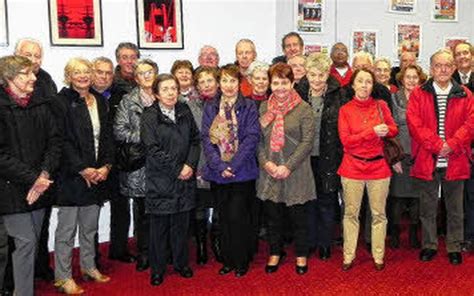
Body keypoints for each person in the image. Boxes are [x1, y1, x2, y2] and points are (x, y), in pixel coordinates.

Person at [0, 55, 61, 296]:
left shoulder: (40, 104)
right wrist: (32, 179)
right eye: (26, 73)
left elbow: (55, 142)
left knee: (32, 244)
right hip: (11, 189)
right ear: (9, 78)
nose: (34, 77)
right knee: (25, 244)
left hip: (41, 186)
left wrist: (44, 174)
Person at [407, 49, 474, 265]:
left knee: (455, 208)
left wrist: (452, 145)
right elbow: (414, 124)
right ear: (431, 68)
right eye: (438, 65)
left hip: (456, 158)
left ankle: (454, 245)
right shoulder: (419, 93)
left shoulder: (466, 94)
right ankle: (429, 245)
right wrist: (437, 145)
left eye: (447, 65)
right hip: (428, 158)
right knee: (427, 207)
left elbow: (471, 124)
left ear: (453, 68)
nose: (443, 69)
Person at [53, 58, 114, 294]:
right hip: (72, 176)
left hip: (97, 174)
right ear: (68, 76)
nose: (82, 75)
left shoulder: (99, 100)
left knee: (89, 227)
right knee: (66, 231)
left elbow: (107, 137)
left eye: (86, 71)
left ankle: (88, 266)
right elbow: (61, 140)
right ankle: (63, 276)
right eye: (76, 72)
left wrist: (106, 167)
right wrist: (82, 169)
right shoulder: (60, 102)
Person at [141, 74, 201, 286]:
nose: (170, 92)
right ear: (156, 93)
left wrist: (190, 165)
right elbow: (152, 148)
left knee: (181, 226)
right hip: (161, 179)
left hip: (185, 178)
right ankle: (157, 270)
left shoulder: (184, 111)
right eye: (165, 89)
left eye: (173, 88)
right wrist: (177, 169)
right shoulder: (149, 116)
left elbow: (195, 140)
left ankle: (181, 264)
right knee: (159, 229)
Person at [202, 64, 260, 277]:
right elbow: (206, 139)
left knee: (239, 218)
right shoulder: (210, 107)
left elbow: (252, 138)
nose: (228, 85)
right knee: (223, 218)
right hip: (218, 172)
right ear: (219, 83)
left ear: (239, 83)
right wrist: (219, 165)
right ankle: (227, 260)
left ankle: (241, 260)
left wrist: (233, 165)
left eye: (232, 81)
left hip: (242, 172)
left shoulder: (249, 106)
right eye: (224, 80)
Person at [258, 62, 316, 275]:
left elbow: (307, 142)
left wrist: (287, 166)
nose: (280, 87)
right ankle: (275, 251)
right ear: (270, 84)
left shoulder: (304, 108)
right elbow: (258, 140)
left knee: (298, 217)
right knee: (273, 217)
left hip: (296, 171)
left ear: (292, 83)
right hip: (269, 171)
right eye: (276, 83)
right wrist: (266, 163)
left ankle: (301, 253)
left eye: (284, 82)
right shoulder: (264, 107)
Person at [338, 68, 398, 272]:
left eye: (368, 82)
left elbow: (394, 129)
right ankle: (348, 255)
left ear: (373, 86)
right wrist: (370, 133)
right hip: (352, 166)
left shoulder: (381, 105)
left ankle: (379, 255)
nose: (364, 85)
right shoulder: (345, 109)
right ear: (353, 85)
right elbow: (346, 142)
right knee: (351, 214)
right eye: (360, 81)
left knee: (379, 214)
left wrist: (386, 130)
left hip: (379, 167)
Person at [14, 38, 58, 283]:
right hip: (16, 175)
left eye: (37, 55)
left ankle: (40, 268)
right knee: (17, 234)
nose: (33, 60)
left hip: (44, 168)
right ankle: (14, 280)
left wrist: (45, 172)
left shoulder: (46, 81)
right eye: (28, 55)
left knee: (41, 226)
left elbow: (54, 130)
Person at [297, 53, 344, 261]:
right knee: (306, 201)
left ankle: (325, 243)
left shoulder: (340, 94)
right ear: (306, 73)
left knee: (327, 200)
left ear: (328, 74)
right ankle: (308, 242)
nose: (316, 80)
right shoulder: (297, 92)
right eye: (312, 74)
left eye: (321, 75)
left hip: (329, 156)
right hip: (303, 157)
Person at [114, 59, 158, 272]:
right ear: (136, 78)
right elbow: (119, 131)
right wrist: (147, 135)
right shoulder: (127, 101)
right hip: (140, 165)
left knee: (163, 210)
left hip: (164, 164)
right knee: (142, 213)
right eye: (141, 73)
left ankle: (163, 251)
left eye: (150, 72)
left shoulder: (167, 94)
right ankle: (144, 252)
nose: (146, 76)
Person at [108, 42, 141, 264]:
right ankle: (118, 248)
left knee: (141, 202)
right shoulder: (111, 84)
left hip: (140, 154)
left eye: (132, 57)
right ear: (118, 59)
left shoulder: (146, 82)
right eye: (124, 57)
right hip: (118, 154)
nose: (129, 61)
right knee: (120, 206)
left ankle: (143, 245)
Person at [388, 64, 427, 249]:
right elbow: (390, 130)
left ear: (420, 80)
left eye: (415, 77)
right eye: (408, 77)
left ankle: (413, 233)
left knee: (417, 198)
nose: (411, 80)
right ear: (402, 79)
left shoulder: (426, 99)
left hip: (420, 155)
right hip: (400, 155)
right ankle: (395, 234)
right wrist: (394, 158)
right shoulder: (394, 98)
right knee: (397, 197)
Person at [193, 65, 223, 262]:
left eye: (209, 80)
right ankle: (201, 246)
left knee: (221, 207)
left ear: (217, 82)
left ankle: (218, 243)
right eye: (201, 82)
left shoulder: (227, 103)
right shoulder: (190, 106)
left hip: (223, 164)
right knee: (200, 209)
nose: (206, 85)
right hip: (200, 165)